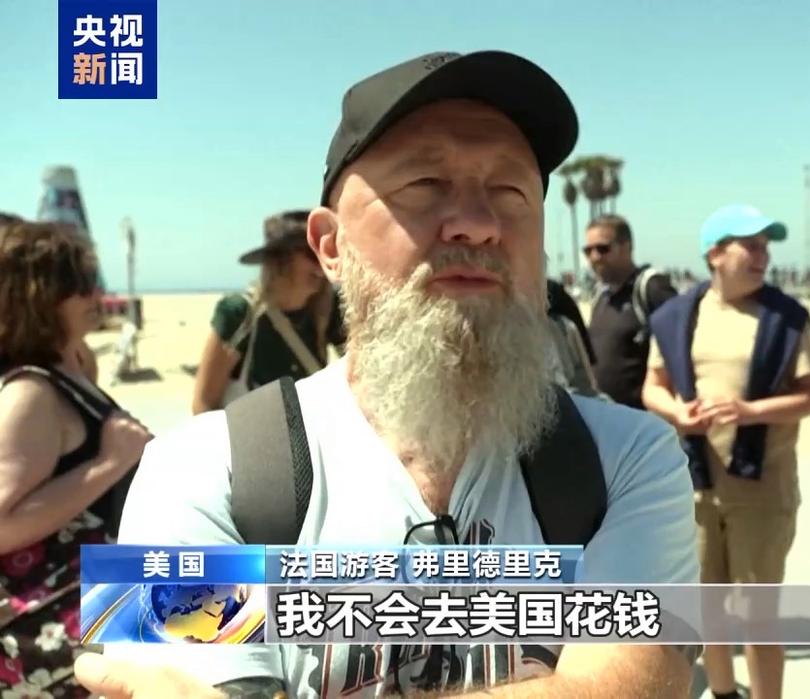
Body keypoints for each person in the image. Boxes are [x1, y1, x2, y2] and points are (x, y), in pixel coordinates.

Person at [74, 50, 699, 698]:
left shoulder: (631, 460)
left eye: (510, 193)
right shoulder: (197, 472)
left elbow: (635, 684)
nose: (478, 224)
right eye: (424, 184)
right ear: (330, 245)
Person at [642, 204, 810, 699]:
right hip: (696, 488)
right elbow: (653, 386)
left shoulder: (787, 318)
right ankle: (724, 692)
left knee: (758, 617)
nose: (762, 256)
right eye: (751, 245)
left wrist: (750, 411)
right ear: (715, 254)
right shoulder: (676, 317)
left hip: (762, 491)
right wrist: (677, 413)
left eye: (766, 247)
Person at [0, 221, 153, 698]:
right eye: (76, 283)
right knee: (296, 604)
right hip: (75, 610)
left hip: (115, 589)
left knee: (302, 603)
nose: (94, 293)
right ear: (37, 296)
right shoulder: (31, 393)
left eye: (92, 278)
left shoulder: (71, 371)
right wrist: (107, 463)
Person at [190, 210, 346, 414]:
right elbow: (203, 404)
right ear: (280, 260)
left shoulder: (329, 310)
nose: (322, 265)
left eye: (326, 252)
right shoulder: (239, 314)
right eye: (311, 253)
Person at [585, 215, 679, 409]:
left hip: (644, 419)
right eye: (588, 251)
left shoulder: (651, 288)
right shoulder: (600, 296)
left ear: (626, 247)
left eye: (603, 249)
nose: (594, 257)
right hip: (605, 417)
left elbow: (681, 343)